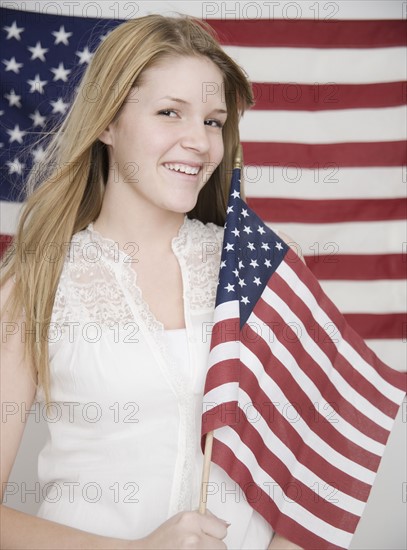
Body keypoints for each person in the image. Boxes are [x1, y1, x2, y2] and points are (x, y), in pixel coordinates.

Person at [0, 13, 300, 550]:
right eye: (170, 113)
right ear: (108, 124)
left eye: (212, 121)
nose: (201, 142)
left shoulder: (254, 268)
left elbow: (308, 476)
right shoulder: (37, 280)